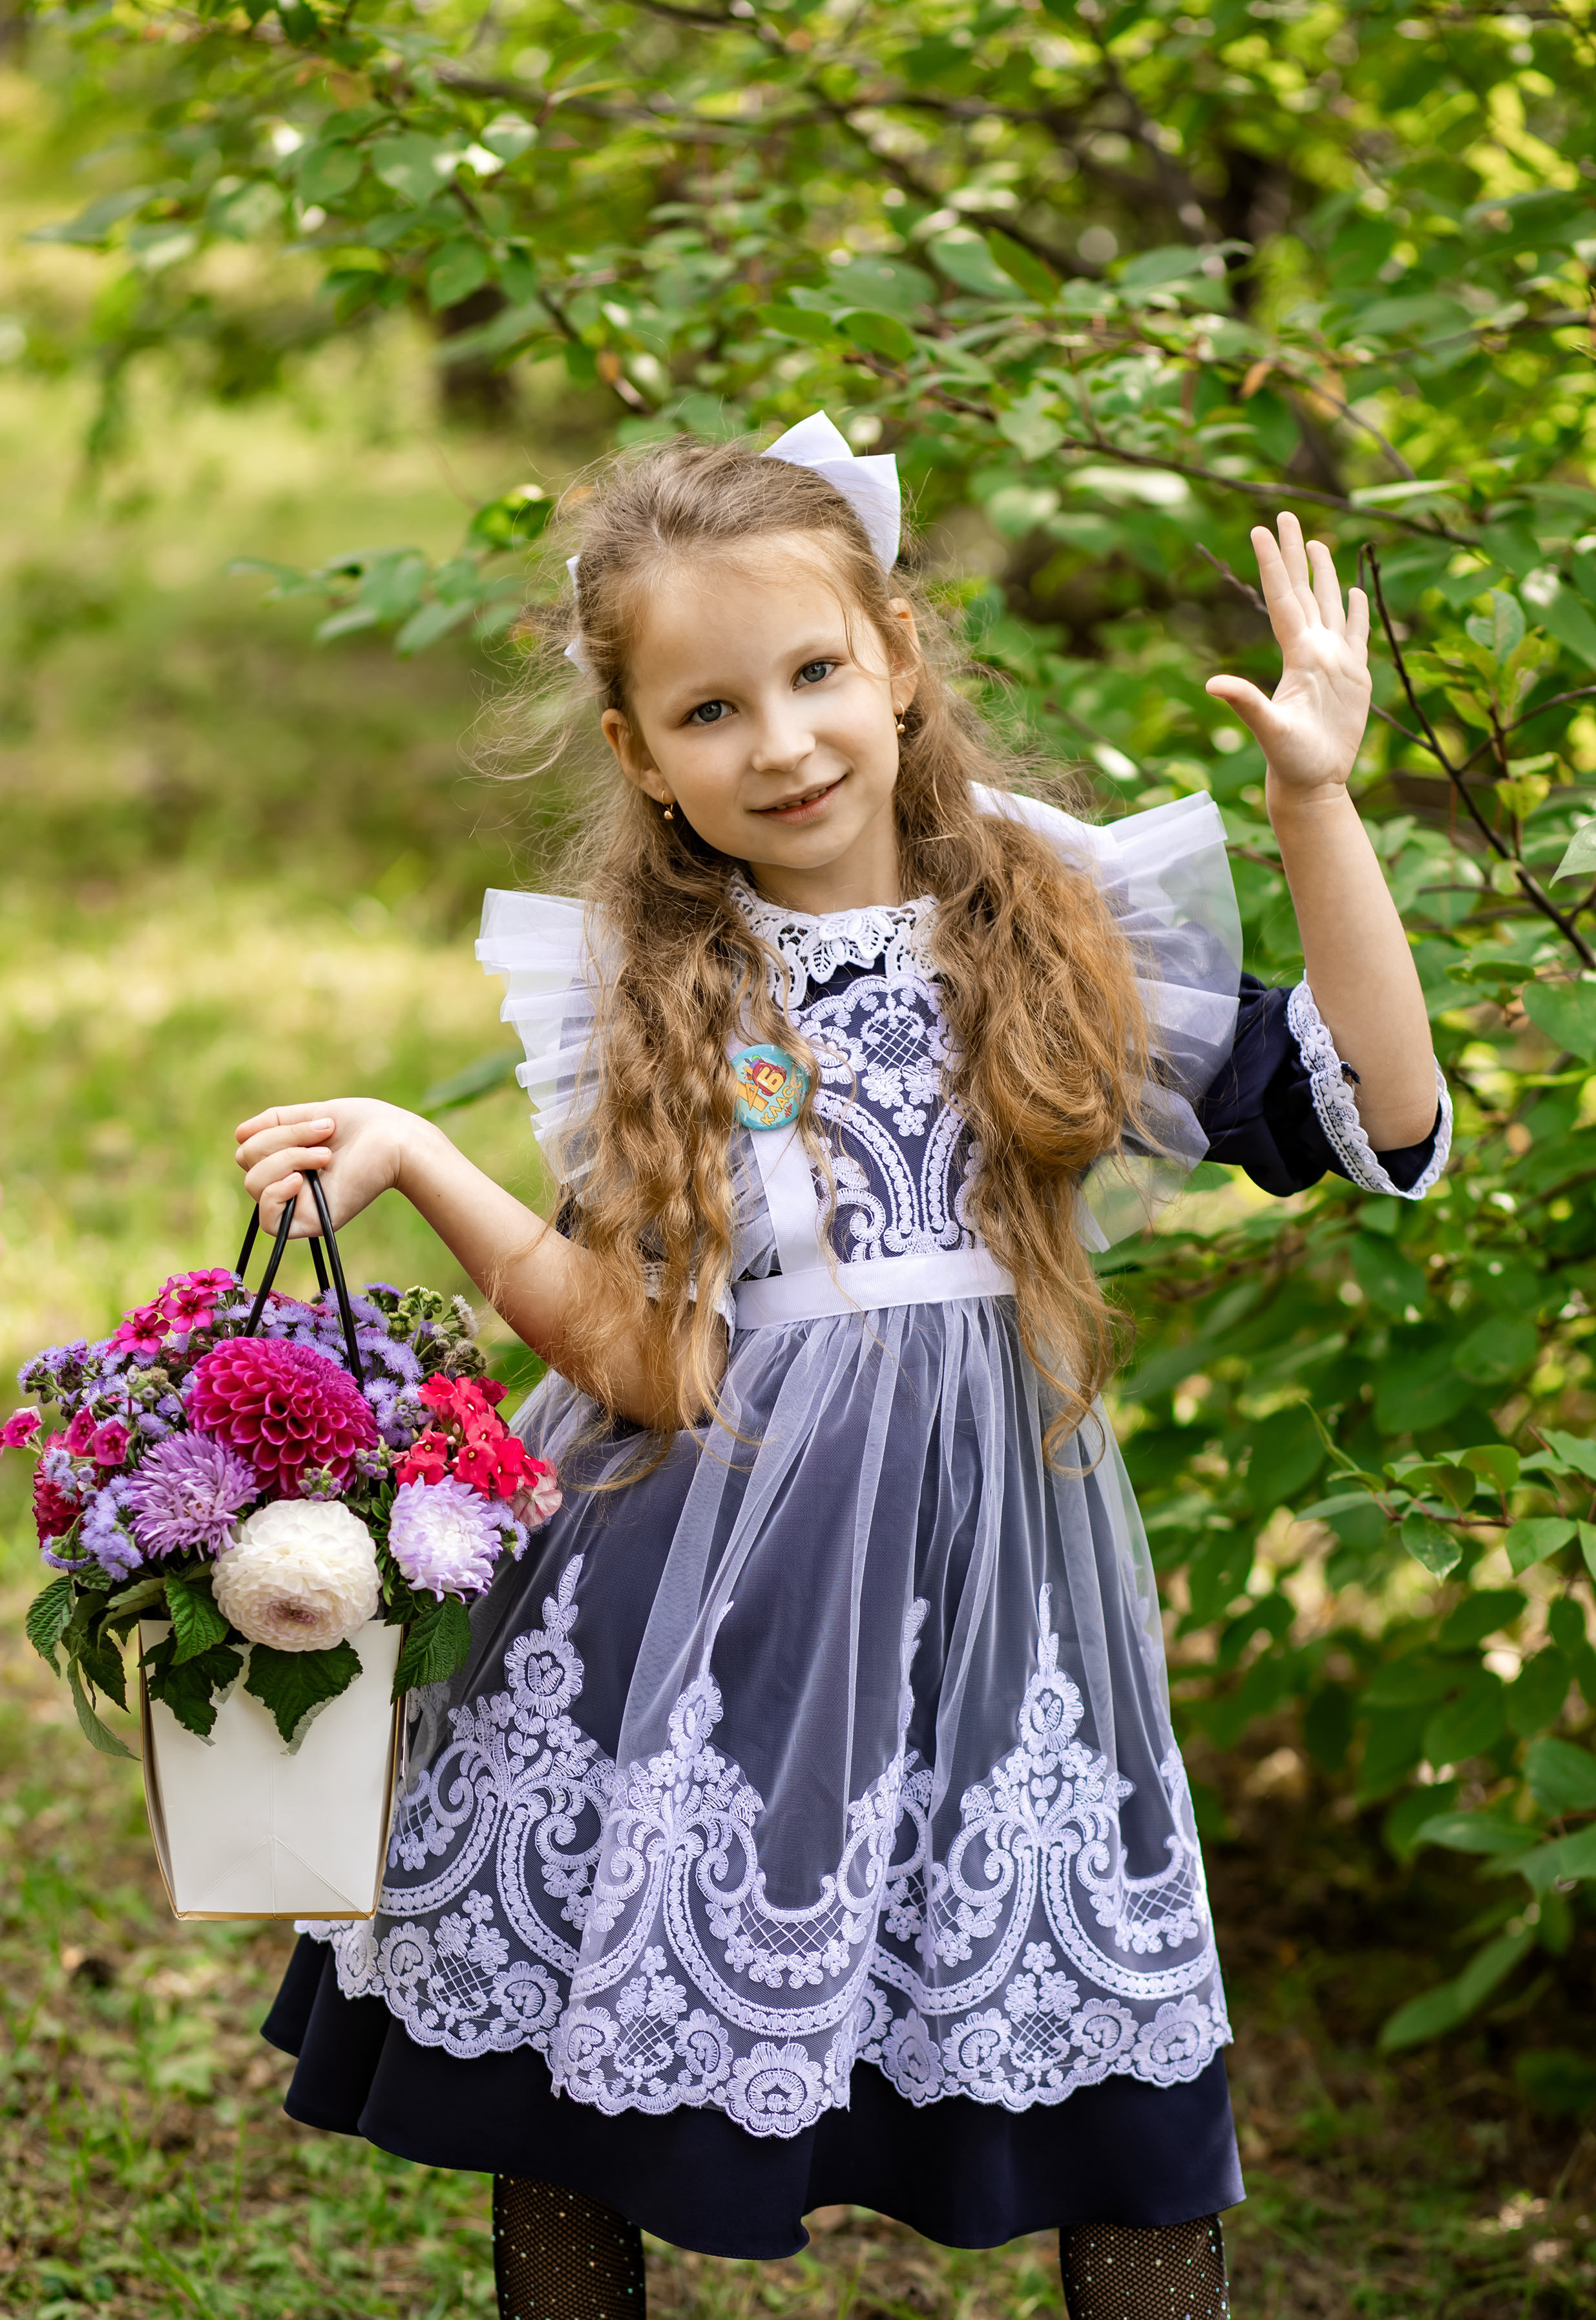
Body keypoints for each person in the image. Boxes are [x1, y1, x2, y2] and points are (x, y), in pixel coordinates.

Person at [241, 414, 1447, 2319]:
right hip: (697, 1587)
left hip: (1002, 1594)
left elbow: (1379, 1115)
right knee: (586, 2078)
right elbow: (651, 1361)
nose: (783, 741)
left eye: (815, 672)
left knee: (1110, 2086)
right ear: (638, 753)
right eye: (711, 709)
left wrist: (1315, 800)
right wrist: (426, 1157)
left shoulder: (1051, 919)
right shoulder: (654, 982)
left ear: (899, 654)